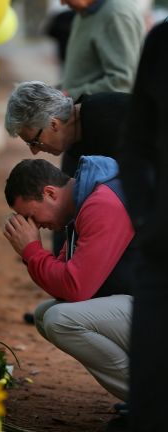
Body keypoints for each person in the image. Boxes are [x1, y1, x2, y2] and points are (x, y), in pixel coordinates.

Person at [3, 156, 138, 404]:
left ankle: (153, 401)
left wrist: (32, 251)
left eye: (31, 216)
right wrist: (31, 254)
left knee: (59, 319)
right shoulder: (83, 202)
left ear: (50, 193)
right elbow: (64, 287)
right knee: (47, 314)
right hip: (145, 305)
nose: (35, 226)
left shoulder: (101, 204)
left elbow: (76, 288)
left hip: (157, 309)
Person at [5, 80, 131, 254]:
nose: (34, 152)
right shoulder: (76, 142)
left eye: (33, 142)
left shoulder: (111, 119)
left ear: (54, 124)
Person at [118, 20, 168, 431]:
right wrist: (147, 219)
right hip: (163, 254)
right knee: (151, 398)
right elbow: (136, 144)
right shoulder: (163, 42)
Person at [60, 0, 145, 102]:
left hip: (97, 114)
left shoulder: (116, 13)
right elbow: (81, 76)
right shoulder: (83, 13)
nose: (62, 3)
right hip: (81, 111)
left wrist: (69, 96)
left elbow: (122, 83)